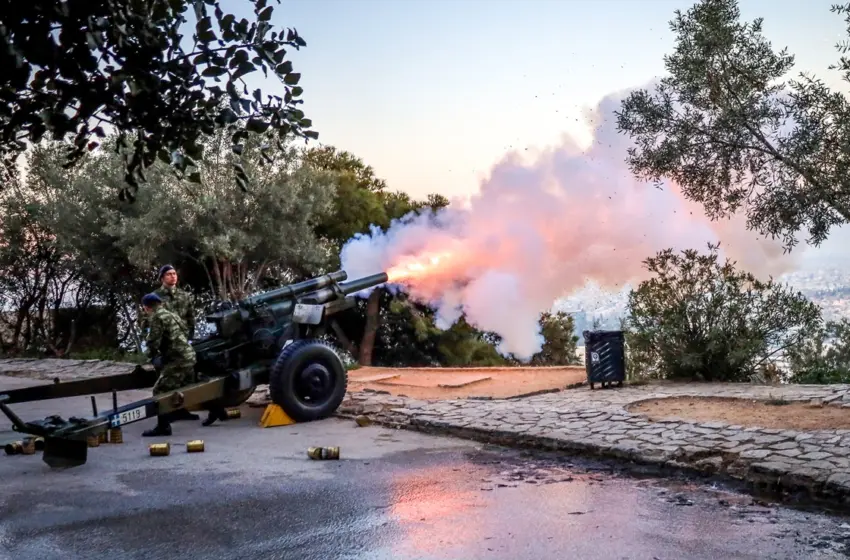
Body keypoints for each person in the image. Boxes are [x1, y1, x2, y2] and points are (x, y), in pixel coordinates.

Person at [139, 264, 200, 421]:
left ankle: (174, 415)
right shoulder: (155, 297)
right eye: (168, 274)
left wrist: (188, 338)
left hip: (178, 345)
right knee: (168, 382)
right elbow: (147, 324)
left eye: (174, 273)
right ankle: (169, 415)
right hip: (168, 347)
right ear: (162, 278)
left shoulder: (184, 296)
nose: (173, 276)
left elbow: (190, 320)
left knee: (179, 384)